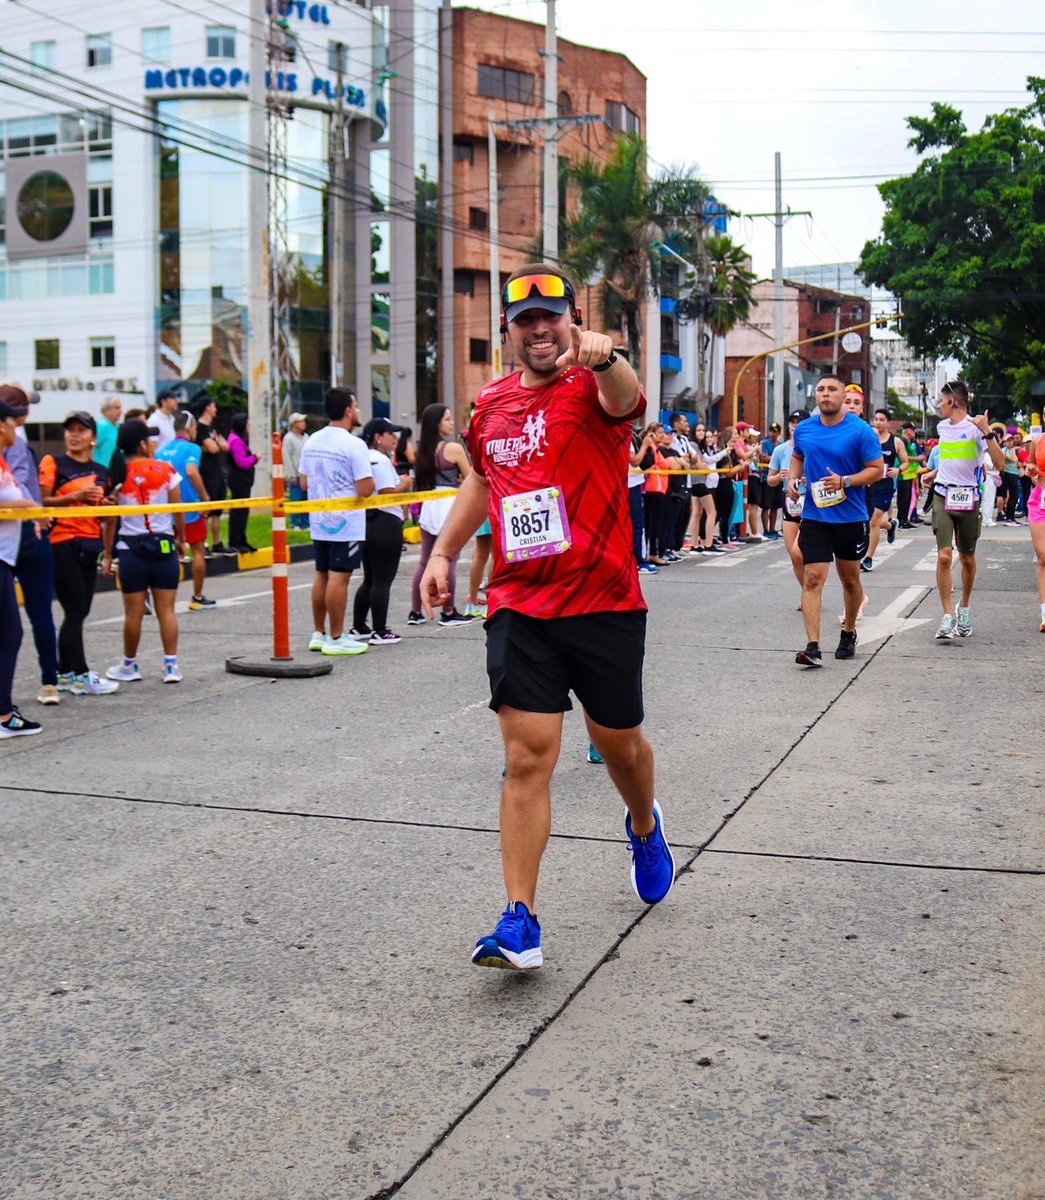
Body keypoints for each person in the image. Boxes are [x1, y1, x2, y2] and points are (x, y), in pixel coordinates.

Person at [420, 263, 675, 972]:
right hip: (519, 600)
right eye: (524, 320)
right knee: (527, 756)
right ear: (508, 328)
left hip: (602, 600)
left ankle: (644, 825)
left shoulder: (594, 385)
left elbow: (627, 402)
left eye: (551, 317)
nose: (538, 330)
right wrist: (442, 554)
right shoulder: (492, 403)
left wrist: (610, 357)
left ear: (570, 319)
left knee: (619, 744)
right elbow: (481, 479)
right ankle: (519, 920)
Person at [788, 375, 884, 666]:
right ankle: (813, 646)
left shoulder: (860, 431)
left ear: (843, 396)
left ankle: (849, 631)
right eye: (820, 390)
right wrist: (793, 478)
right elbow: (797, 456)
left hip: (851, 517)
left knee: (850, 580)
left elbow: (876, 470)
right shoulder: (804, 430)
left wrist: (845, 481)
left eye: (832, 390)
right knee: (813, 577)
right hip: (815, 515)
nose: (825, 395)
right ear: (815, 396)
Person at [39, 412, 119, 696]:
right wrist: (74, 498)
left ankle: (64, 673)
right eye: (70, 430)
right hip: (61, 541)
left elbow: (101, 511)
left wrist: (107, 503)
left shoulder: (101, 471)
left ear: (93, 438)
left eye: (81, 431)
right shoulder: (53, 463)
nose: (74, 435)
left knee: (80, 610)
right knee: (75, 609)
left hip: (90, 544)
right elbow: (41, 501)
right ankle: (81, 674)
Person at [919, 381, 1005, 640]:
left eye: (941, 401)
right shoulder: (942, 427)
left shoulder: (977, 427)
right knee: (945, 556)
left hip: (969, 499)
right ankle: (947, 617)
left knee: (967, 558)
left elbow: (1000, 464)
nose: (938, 407)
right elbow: (950, 459)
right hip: (943, 495)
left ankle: (964, 607)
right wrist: (934, 473)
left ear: (953, 402)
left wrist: (987, 432)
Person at [103, 418, 187, 684]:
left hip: (131, 551)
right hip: (163, 547)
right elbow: (178, 511)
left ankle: (129, 664)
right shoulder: (166, 470)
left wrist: (107, 554)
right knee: (167, 610)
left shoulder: (117, 475)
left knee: (133, 613)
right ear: (141, 443)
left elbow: (111, 520)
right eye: (149, 439)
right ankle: (171, 666)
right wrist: (181, 539)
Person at [299, 387, 375, 656]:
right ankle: (337, 636)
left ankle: (319, 633)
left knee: (321, 574)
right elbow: (365, 488)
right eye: (355, 405)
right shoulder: (354, 444)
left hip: (319, 518)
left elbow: (304, 481)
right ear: (347, 410)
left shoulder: (312, 440)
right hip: (346, 521)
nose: (357, 411)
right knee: (339, 578)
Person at [2, 386, 60, 705]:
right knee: (36, 614)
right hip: (25, 535)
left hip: (16, 535)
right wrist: (36, 514)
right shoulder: (17, 444)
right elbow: (19, 487)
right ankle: (48, 682)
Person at [0, 398, 45, 736]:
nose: (18, 428)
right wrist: (28, 503)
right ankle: (3, 715)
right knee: (10, 633)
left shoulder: (3, 460)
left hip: (5, 559)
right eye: (14, 422)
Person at [408, 403, 473, 627]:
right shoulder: (453, 449)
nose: (451, 422)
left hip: (428, 505)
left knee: (425, 560)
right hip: (449, 505)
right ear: (437, 423)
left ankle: (415, 611)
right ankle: (448, 610)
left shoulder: (422, 451)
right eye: (447, 419)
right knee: (449, 559)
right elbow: (472, 477)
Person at [350, 418, 411, 645]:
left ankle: (359, 627)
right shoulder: (381, 460)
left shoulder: (364, 457)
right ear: (378, 436)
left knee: (370, 579)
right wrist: (405, 484)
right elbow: (388, 492)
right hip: (386, 521)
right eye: (389, 433)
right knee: (383, 579)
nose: (394, 437)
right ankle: (380, 630)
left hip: (366, 520)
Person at [157, 411, 215, 610]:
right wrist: (205, 498)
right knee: (197, 551)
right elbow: (191, 470)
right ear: (190, 428)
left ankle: (165, 599)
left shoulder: (160, 451)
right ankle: (197, 596)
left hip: (165, 510)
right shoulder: (192, 448)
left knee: (168, 555)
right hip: (189, 508)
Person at [767, 409, 809, 604]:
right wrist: (779, 477)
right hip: (790, 502)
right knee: (793, 554)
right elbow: (770, 481)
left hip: (811, 502)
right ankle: (807, 591)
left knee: (803, 551)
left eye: (799, 421)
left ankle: (811, 592)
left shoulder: (814, 447)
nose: (795, 425)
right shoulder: (780, 450)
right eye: (792, 422)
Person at [863, 408, 909, 571]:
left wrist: (898, 470)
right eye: (876, 419)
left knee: (874, 521)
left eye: (882, 419)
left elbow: (905, 461)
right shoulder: (868, 439)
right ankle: (890, 526)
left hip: (885, 486)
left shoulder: (896, 442)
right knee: (868, 519)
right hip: (869, 484)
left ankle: (868, 558)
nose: (878, 422)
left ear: (888, 422)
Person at [194, 395, 232, 554]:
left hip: (218, 472)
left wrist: (216, 444)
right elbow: (214, 448)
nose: (215, 409)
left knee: (217, 509)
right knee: (207, 509)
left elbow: (225, 446)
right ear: (207, 407)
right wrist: (215, 445)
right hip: (206, 472)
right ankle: (204, 544)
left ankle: (217, 542)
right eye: (213, 406)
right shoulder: (200, 428)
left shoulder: (212, 428)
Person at [226, 412, 259, 554]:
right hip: (239, 481)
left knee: (243, 511)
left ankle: (241, 539)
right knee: (238, 512)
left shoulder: (238, 439)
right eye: (247, 423)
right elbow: (242, 462)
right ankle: (236, 540)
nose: (249, 426)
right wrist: (255, 458)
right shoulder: (236, 441)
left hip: (243, 481)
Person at [1024, 430, 1045, 631]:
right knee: (1043, 557)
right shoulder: (1037, 441)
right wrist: (1032, 472)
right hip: (1040, 501)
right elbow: (1033, 470)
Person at [283, 412, 310, 531]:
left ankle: (306, 522)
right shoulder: (288, 438)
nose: (304, 424)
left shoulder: (306, 437)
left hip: (306, 474)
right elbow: (286, 458)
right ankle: (295, 523)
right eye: (300, 421)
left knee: (306, 499)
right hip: (295, 474)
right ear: (294, 424)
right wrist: (291, 475)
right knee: (295, 499)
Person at [759, 422, 784, 539]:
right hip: (767, 477)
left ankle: (773, 529)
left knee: (775, 506)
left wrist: (772, 457)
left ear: (778, 433)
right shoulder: (764, 443)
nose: (772, 433)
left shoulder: (781, 445)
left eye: (775, 431)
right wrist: (776, 458)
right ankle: (766, 530)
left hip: (779, 478)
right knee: (766, 506)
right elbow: (763, 457)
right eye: (771, 431)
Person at [95, 397, 122, 467]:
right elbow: (91, 445)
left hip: (114, 470)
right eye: (117, 408)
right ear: (106, 410)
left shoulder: (117, 427)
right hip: (101, 469)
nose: (120, 411)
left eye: (120, 408)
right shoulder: (101, 426)